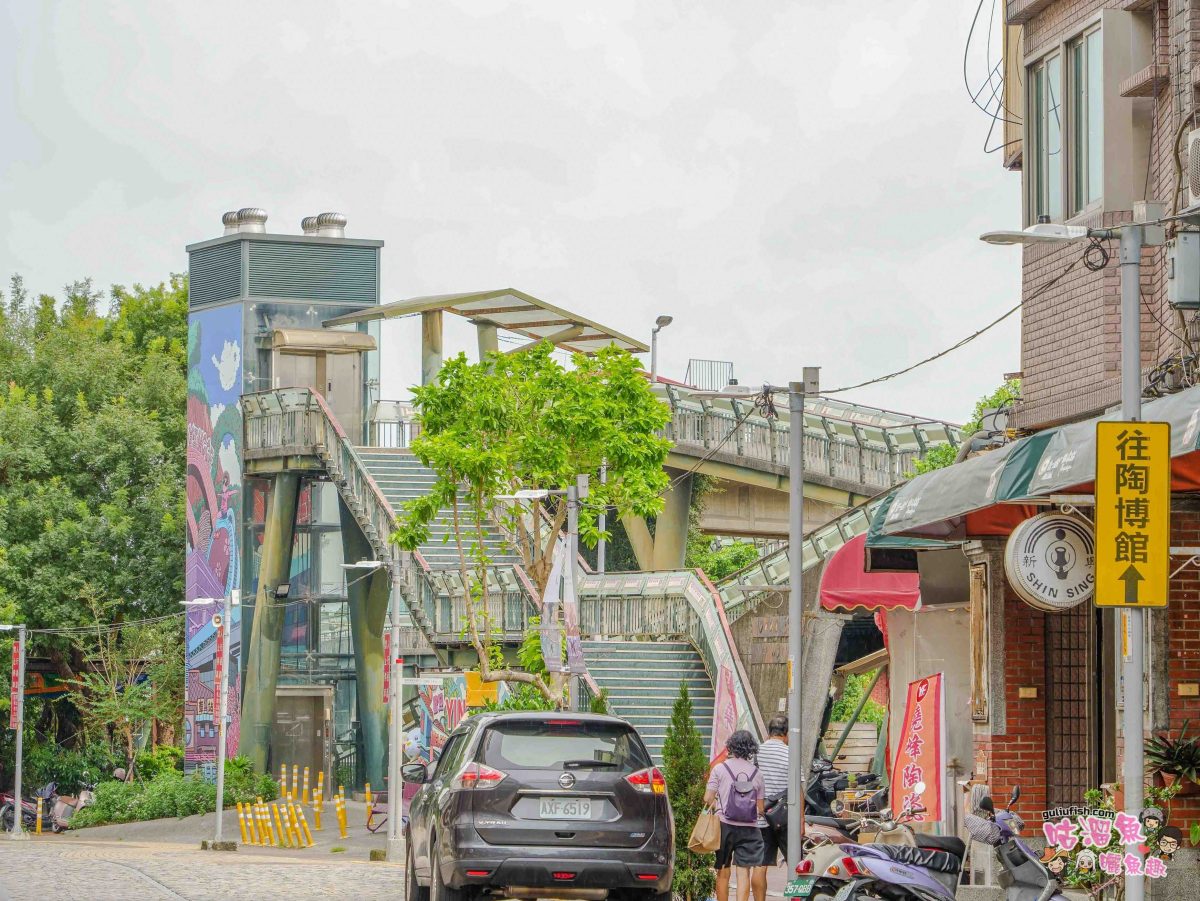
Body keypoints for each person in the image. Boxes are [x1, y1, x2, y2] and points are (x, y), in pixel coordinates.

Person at [705, 731, 765, 901]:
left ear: (731, 746)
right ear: (751, 749)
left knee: (723, 871)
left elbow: (707, 798)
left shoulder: (719, 768)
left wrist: (719, 802)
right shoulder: (757, 774)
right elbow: (760, 808)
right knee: (743, 872)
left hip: (724, 826)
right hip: (750, 829)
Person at [752, 716, 789, 901]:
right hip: (785, 817)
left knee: (760, 865)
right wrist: (801, 820)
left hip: (761, 816)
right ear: (786, 734)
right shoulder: (790, 753)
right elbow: (798, 789)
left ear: (769, 732)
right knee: (796, 863)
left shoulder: (756, 753)